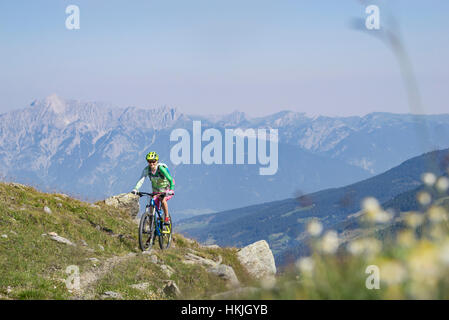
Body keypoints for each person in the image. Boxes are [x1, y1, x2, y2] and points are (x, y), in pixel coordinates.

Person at [131, 151, 174, 224]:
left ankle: (167, 217)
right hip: (156, 190)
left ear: (157, 161)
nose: (151, 163)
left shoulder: (161, 169)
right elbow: (141, 180)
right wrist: (135, 189)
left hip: (166, 189)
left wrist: (171, 190)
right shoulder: (147, 169)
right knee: (152, 204)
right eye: (149, 161)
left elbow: (170, 179)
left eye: (153, 161)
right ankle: (152, 224)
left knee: (162, 200)